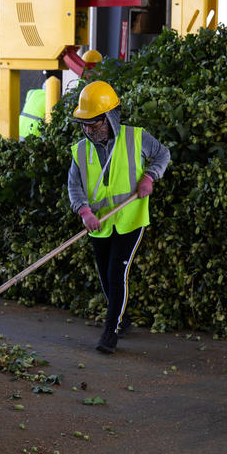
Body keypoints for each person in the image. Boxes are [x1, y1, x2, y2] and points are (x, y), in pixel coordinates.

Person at [66, 80, 170, 354]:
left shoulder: (136, 138)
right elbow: (74, 186)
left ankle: (110, 334)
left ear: (110, 117)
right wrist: (84, 211)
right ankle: (122, 318)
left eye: (95, 123)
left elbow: (162, 154)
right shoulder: (80, 151)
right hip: (98, 224)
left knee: (116, 274)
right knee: (104, 276)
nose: (89, 130)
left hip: (129, 220)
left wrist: (150, 176)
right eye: (85, 124)